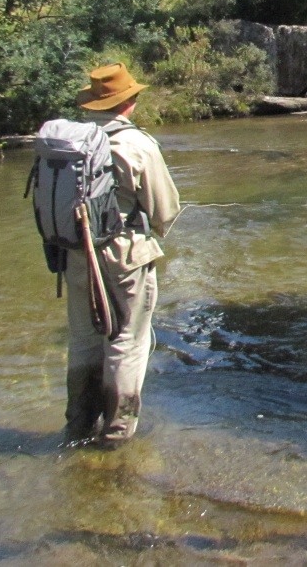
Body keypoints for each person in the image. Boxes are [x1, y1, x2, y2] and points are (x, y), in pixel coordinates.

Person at [64, 63, 180, 446]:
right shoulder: (137, 144)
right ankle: (117, 435)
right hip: (124, 257)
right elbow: (164, 210)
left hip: (74, 254)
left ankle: (78, 423)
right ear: (128, 102)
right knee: (127, 343)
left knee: (83, 339)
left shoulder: (68, 142)